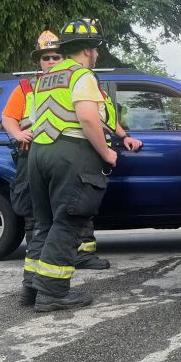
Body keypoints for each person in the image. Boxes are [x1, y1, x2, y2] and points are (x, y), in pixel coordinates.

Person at [22, 18, 117, 312]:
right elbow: (88, 118)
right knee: (69, 220)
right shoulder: (81, 76)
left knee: (44, 223)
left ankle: (32, 289)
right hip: (69, 152)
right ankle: (53, 292)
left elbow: (33, 119)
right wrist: (106, 153)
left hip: (39, 153)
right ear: (89, 49)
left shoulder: (45, 77)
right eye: (96, 50)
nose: (96, 55)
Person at [1, 31, 64, 251]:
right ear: (39, 61)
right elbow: (8, 117)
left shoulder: (73, 84)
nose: (51, 61)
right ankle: (36, 252)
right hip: (32, 153)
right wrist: (18, 134)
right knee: (30, 205)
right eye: (46, 57)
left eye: (56, 56)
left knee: (63, 203)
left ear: (64, 59)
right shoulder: (26, 87)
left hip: (63, 153)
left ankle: (62, 252)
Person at [74, 85, 142, 270]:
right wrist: (105, 152)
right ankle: (81, 255)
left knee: (87, 204)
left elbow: (108, 121)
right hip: (85, 154)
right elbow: (88, 120)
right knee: (83, 205)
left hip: (93, 157)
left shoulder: (100, 95)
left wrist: (125, 136)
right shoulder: (80, 90)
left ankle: (81, 253)